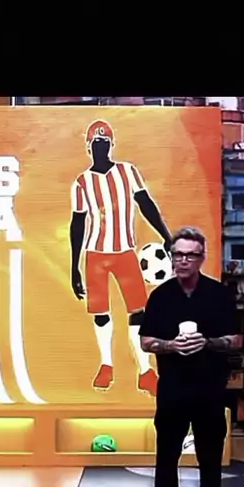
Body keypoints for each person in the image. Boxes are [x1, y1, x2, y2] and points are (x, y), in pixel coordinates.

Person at [139, 226, 242, 487]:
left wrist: (207, 343)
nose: (182, 261)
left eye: (190, 255)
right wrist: (171, 346)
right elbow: (146, 341)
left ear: (201, 258)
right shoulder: (160, 297)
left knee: (210, 460)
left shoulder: (219, 295)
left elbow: (236, 339)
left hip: (210, 390)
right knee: (166, 458)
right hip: (173, 390)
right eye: (178, 255)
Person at [70, 119, 172, 396]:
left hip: (125, 251)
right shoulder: (82, 182)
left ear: (111, 145)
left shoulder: (127, 172)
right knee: (101, 313)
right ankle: (106, 365)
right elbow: (77, 223)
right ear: (88, 147)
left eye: (104, 142)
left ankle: (145, 371)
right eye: (96, 143)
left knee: (138, 312)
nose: (100, 147)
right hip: (96, 254)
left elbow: (145, 203)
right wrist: (74, 267)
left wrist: (166, 235)